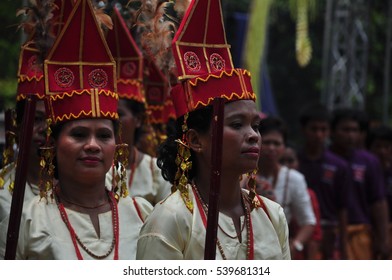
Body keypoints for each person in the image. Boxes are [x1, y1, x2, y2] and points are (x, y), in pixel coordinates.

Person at [136, 0, 290, 260]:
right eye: (237, 124)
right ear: (195, 140)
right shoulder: (171, 220)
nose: (253, 135)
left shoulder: (272, 215)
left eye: (255, 125)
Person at [0, 0, 152, 260]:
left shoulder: (141, 213)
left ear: (118, 143)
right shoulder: (28, 218)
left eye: (104, 135)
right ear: (53, 142)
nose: (93, 144)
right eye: (78, 134)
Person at [105, 8, 171, 206]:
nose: (111, 122)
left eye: (119, 114)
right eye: (105, 115)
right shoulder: (90, 167)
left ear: (139, 119)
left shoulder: (156, 172)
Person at [329, 107, 389, 259]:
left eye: (355, 130)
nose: (350, 135)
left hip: (359, 234)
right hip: (330, 233)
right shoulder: (324, 159)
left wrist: (383, 239)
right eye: (345, 130)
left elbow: (378, 202)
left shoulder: (369, 161)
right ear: (333, 131)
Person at [297, 103, 351, 259]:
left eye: (323, 130)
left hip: (329, 233)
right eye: (314, 129)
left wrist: (343, 246)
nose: (319, 134)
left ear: (329, 132)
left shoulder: (339, 165)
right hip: (300, 232)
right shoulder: (294, 161)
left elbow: (342, 208)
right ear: (303, 130)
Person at [257, 116, 316, 258]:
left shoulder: (294, 179)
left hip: (277, 250)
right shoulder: (242, 174)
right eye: (267, 142)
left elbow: (308, 222)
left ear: (284, 147)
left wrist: (294, 246)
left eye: (277, 143)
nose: (272, 148)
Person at [280, 144, 323, 260]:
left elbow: (314, 235)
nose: (286, 166)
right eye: (282, 161)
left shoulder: (309, 194)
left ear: (298, 163)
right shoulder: (262, 186)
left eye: (290, 161)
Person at [366, 124, 392, 258]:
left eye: (387, 147)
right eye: (378, 146)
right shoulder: (363, 171)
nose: (382, 151)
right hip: (368, 233)